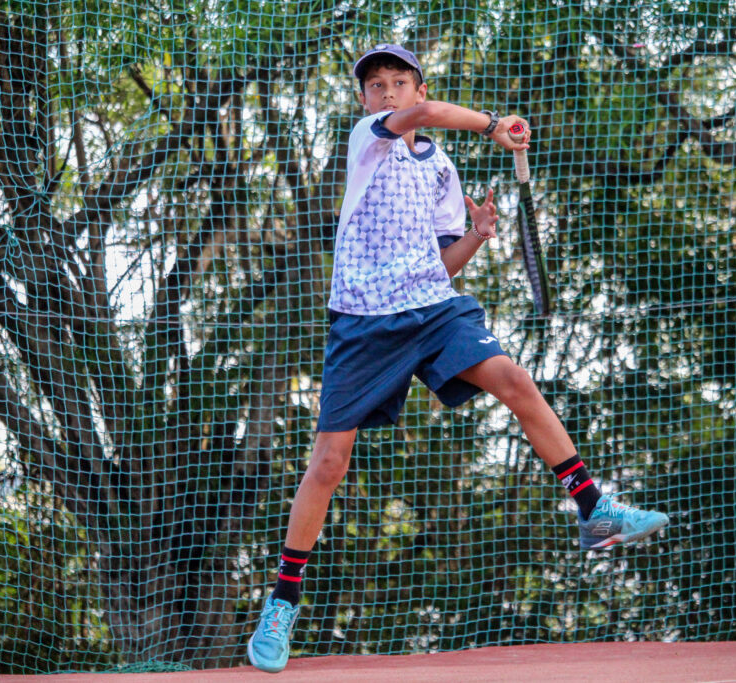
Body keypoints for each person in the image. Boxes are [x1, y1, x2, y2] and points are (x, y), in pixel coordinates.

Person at [247, 44, 669, 673]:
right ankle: (282, 602)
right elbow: (433, 116)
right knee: (330, 461)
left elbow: (440, 263)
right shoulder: (370, 137)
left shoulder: (441, 169)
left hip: (434, 307)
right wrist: (494, 124)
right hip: (364, 321)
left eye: (400, 83)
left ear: (419, 87)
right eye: (376, 85)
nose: (388, 93)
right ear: (365, 101)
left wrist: (475, 234)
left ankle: (594, 509)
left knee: (515, 381)